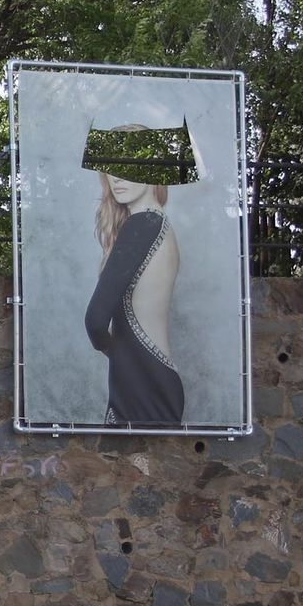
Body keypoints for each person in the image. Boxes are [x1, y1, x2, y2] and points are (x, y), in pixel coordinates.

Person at [81, 124, 190, 427]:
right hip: (154, 379)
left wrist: (117, 354)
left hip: (142, 384)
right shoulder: (161, 226)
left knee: (123, 473)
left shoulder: (142, 225)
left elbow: (95, 320)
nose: (116, 176)